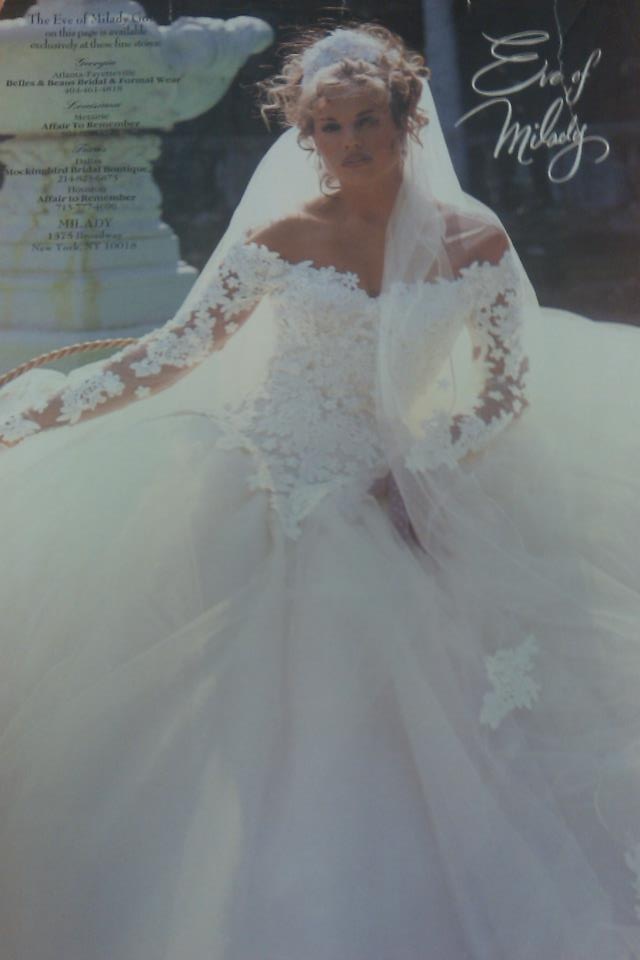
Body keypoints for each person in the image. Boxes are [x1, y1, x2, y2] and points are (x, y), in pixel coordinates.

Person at [0, 22, 639, 960]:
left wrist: (424, 466)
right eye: (328, 127)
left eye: (365, 119)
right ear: (307, 136)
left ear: (404, 117)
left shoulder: (475, 241)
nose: (349, 142)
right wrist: (46, 413)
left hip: (396, 486)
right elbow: (171, 355)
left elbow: (504, 388)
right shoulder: (279, 236)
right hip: (260, 486)